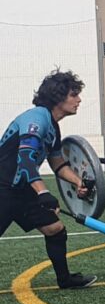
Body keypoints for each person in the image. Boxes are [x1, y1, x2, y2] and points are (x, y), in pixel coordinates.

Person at [0, 70, 96, 289]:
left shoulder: (53, 126)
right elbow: (25, 159)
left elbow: (57, 162)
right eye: (74, 95)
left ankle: (65, 280)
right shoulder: (36, 118)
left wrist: (77, 181)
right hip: (3, 188)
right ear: (58, 97)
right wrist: (43, 193)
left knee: (55, 229)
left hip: (22, 190)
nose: (79, 100)